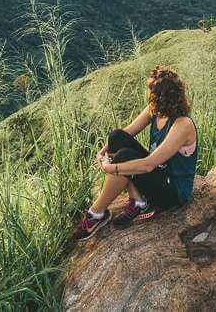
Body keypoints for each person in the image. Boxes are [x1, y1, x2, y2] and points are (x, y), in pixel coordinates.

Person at [71, 66, 199, 240]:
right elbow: (127, 132)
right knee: (116, 137)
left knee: (124, 156)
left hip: (173, 191)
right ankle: (138, 200)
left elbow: (148, 165)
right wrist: (102, 152)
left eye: (153, 94)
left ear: (163, 98)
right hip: (156, 174)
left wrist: (110, 168)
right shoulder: (156, 110)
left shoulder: (183, 124)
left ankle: (96, 213)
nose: (150, 97)